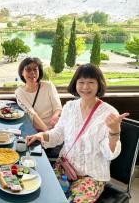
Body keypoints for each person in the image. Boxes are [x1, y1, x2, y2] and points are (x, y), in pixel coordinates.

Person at [26, 64, 129, 203]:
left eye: (91, 82)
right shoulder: (69, 107)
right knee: (40, 194)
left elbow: (110, 154)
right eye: (81, 82)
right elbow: (58, 134)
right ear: (75, 84)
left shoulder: (109, 113)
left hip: (91, 177)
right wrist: (41, 135)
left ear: (99, 85)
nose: (85, 87)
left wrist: (114, 131)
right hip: (64, 167)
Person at [15, 57, 62, 131]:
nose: (32, 72)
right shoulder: (19, 92)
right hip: (33, 130)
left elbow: (57, 107)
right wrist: (47, 131)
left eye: (35, 69)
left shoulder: (48, 86)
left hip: (54, 128)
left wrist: (55, 116)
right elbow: (32, 113)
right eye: (28, 69)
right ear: (22, 72)